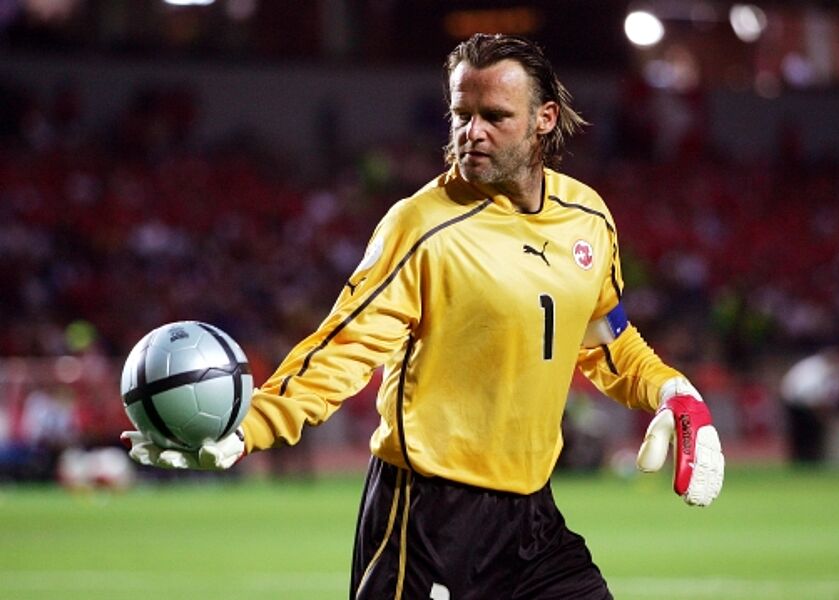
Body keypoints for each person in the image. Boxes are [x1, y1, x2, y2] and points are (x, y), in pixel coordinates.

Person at [122, 33, 725, 599]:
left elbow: (604, 339)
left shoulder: (587, 218)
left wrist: (670, 389)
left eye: (495, 117)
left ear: (544, 119)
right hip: (428, 521)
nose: (472, 133)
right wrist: (249, 426)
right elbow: (342, 350)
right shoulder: (422, 226)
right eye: (462, 114)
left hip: (533, 520)